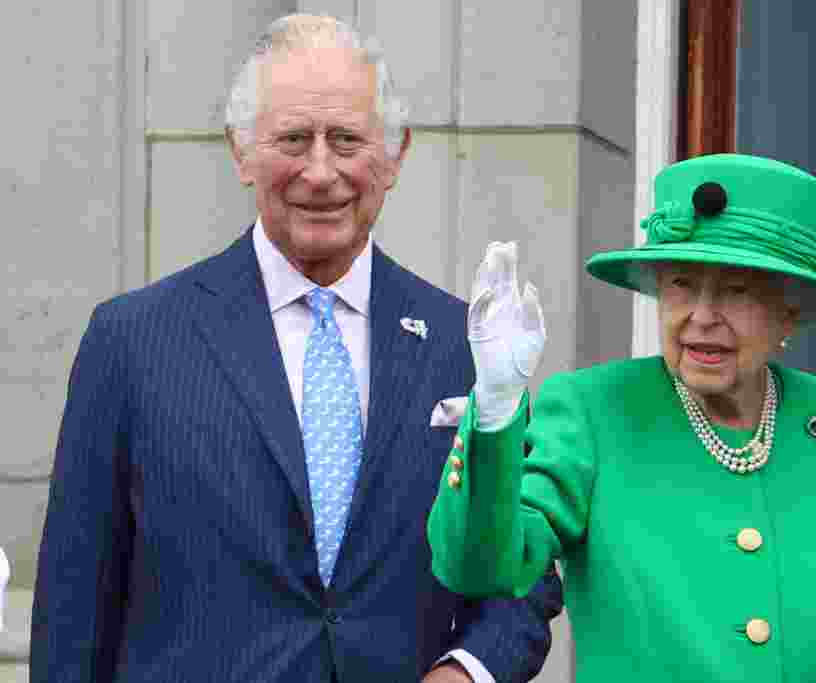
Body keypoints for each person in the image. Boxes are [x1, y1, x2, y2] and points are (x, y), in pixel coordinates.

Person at [30, 14, 561, 683]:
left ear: (394, 156)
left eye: (346, 140)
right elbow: (73, 614)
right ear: (241, 149)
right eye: (292, 138)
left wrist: (464, 672)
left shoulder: (468, 349)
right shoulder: (131, 342)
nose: (320, 171)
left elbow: (523, 579)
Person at [428, 153, 816, 681]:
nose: (701, 317)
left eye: (737, 290)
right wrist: (495, 411)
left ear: (789, 311)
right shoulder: (594, 410)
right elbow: (484, 567)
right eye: (681, 284)